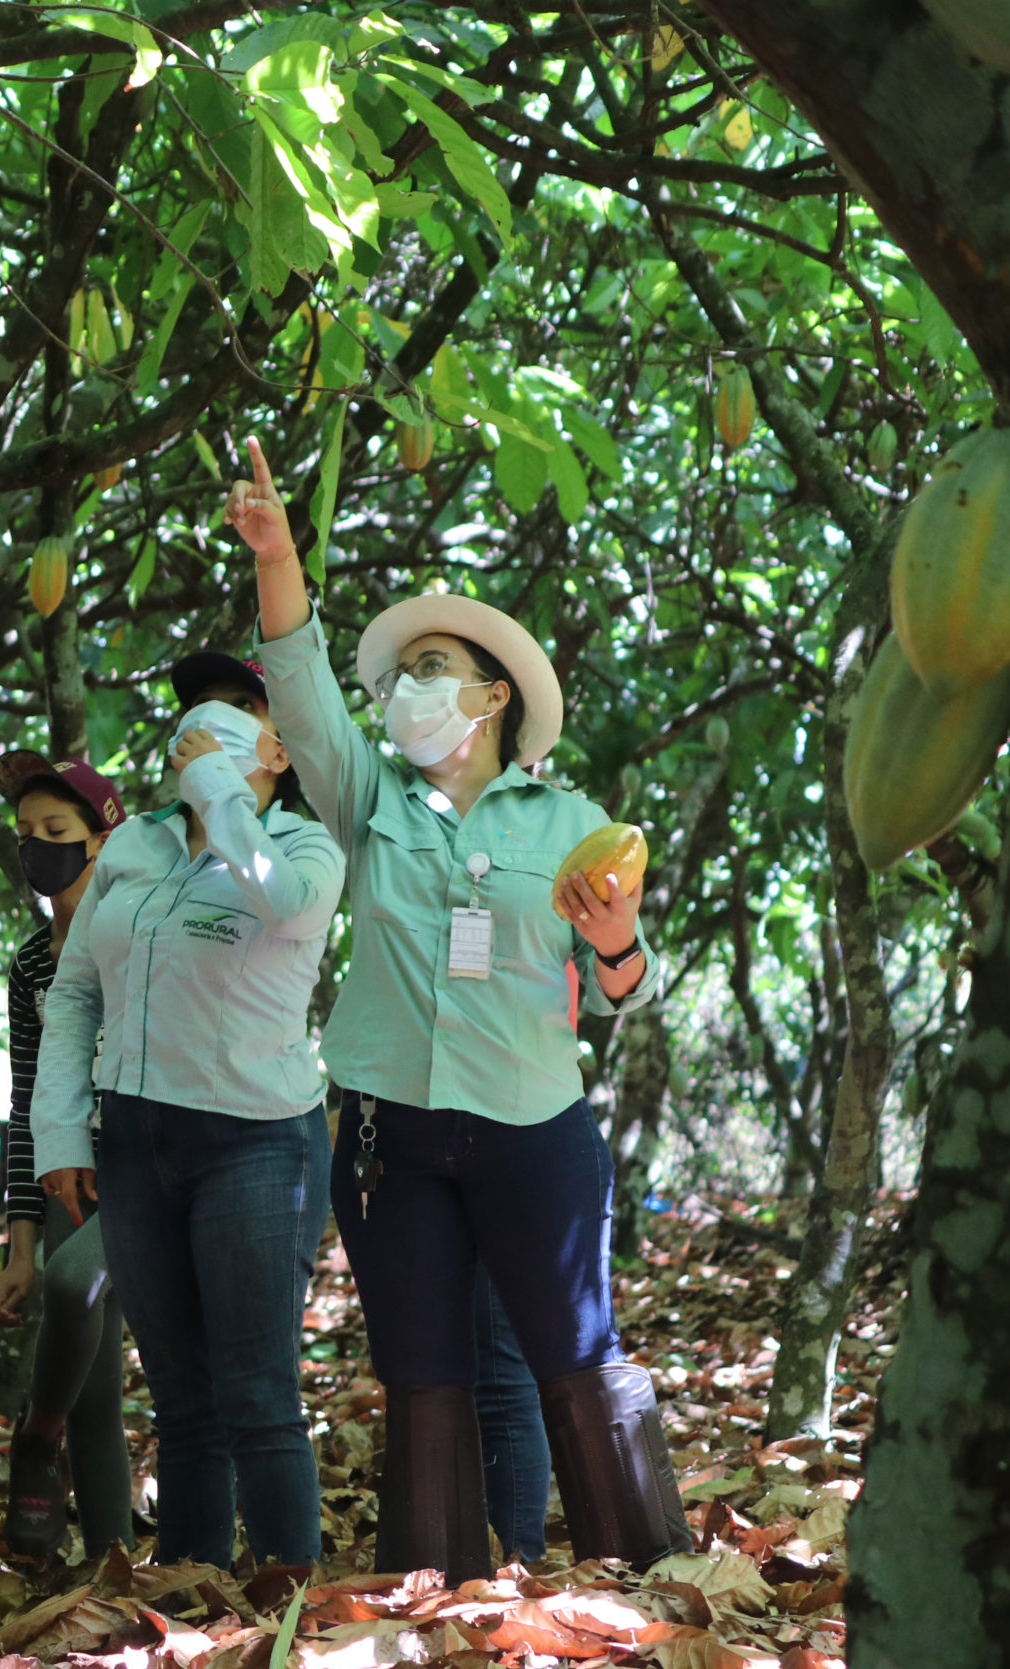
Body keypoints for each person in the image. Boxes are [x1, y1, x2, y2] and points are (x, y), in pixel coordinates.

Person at [227, 436, 693, 1577]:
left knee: (575, 1357)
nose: (409, 690)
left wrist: (615, 942)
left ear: (492, 697)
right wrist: (276, 558)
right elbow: (303, 692)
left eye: (433, 667)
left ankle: (651, 1587)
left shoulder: (570, 820)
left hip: (533, 1125)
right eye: (400, 676)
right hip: (391, 1132)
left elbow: (627, 990)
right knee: (423, 1375)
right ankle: (436, 1613)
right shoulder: (364, 794)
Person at [30, 657, 345, 1569]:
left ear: (281, 748)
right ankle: (192, 1601)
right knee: (181, 1398)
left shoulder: (307, 848)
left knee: (258, 1394)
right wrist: (61, 1131)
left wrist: (218, 788)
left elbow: (282, 902)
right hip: (135, 1142)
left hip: (256, 1140)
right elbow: (76, 992)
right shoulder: (135, 845)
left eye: (242, 706)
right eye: (202, 706)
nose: (211, 718)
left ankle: (289, 1605)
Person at [0, 753, 131, 1563]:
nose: (36, 846)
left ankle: (36, 1432)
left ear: (101, 838)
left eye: (56, 829)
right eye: (25, 833)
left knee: (78, 1288)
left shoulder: (139, 937)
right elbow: (26, 1101)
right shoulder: (33, 963)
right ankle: (112, 1573)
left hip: (144, 1167)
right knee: (96, 1392)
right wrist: (21, 1245)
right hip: (67, 1179)